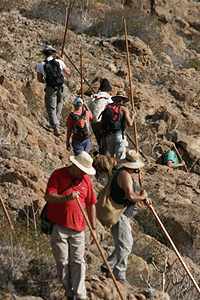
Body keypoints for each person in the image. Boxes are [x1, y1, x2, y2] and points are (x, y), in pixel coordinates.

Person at [44, 151, 97, 300]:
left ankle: (80, 295)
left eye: (85, 171)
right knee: (62, 261)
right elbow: (48, 196)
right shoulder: (58, 175)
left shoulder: (86, 181)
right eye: (81, 170)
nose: (83, 174)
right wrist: (67, 197)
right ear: (74, 165)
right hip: (59, 226)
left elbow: (91, 204)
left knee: (78, 261)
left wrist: (93, 228)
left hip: (79, 228)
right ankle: (69, 293)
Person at [101, 150, 152, 283]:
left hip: (121, 213)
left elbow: (131, 193)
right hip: (120, 213)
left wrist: (142, 198)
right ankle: (119, 274)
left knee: (122, 244)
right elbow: (130, 196)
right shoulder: (124, 175)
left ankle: (107, 266)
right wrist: (142, 196)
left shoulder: (124, 173)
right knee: (125, 245)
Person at [36, 45, 70, 136]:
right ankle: (57, 120)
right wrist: (63, 62)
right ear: (53, 53)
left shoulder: (41, 65)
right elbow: (68, 72)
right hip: (61, 86)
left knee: (51, 107)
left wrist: (47, 81)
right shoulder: (59, 62)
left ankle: (56, 127)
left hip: (50, 87)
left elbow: (39, 79)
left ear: (44, 54)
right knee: (60, 102)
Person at [101, 91, 137, 159]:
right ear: (123, 100)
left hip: (108, 136)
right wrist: (133, 116)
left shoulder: (108, 107)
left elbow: (102, 124)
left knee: (112, 160)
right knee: (120, 159)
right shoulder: (123, 108)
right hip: (119, 135)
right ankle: (119, 169)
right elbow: (130, 123)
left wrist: (104, 139)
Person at [87, 78, 113, 155]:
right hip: (102, 122)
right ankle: (106, 158)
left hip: (93, 122)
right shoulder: (109, 98)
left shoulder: (92, 97)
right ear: (108, 90)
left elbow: (88, 108)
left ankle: (101, 156)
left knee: (100, 141)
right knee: (106, 142)